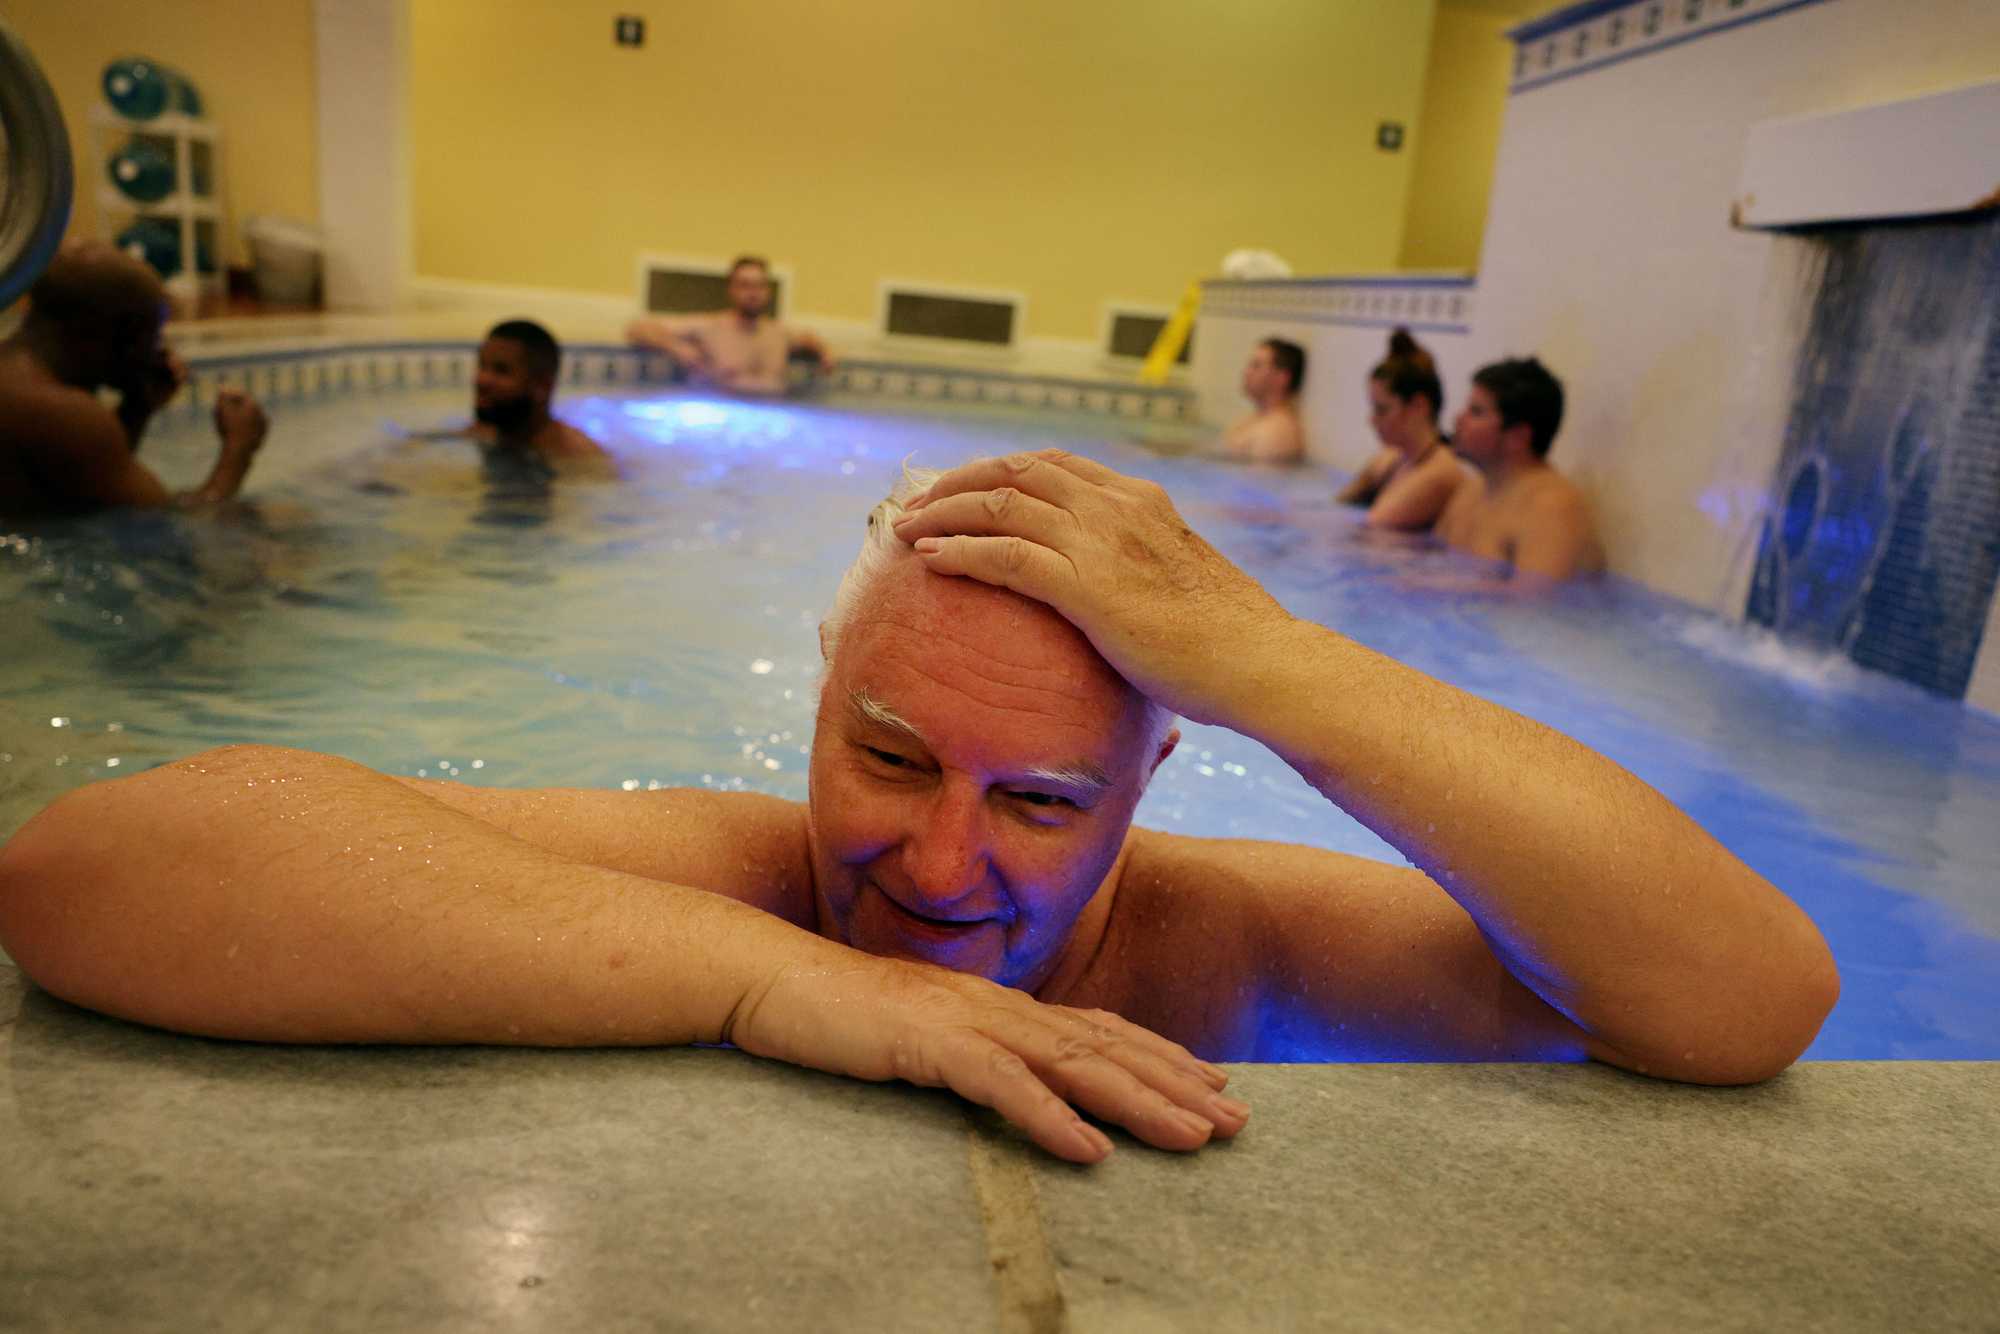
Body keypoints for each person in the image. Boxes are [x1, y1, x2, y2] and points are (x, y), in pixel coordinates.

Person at [0, 452, 1837, 1166]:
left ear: (1143, 783)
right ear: (814, 708)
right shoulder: (749, 884)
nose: (939, 869)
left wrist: (1272, 663)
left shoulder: (1227, 941)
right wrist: (771, 980)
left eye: (1042, 798)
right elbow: (92, 864)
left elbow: (1745, 996)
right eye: (886, 758)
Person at [0, 242, 267, 517]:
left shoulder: (17, 376)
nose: (158, 350)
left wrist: (139, 407)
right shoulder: (63, 414)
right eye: (152, 335)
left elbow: (96, 489)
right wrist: (239, 447)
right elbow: (170, 525)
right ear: (116, 335)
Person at [1434, 357, 1605, 581]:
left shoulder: (1551, 507)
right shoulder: (1471, 489)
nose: (1458, 419)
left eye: (1476, 412)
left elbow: (1532, 606)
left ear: (1518, 436)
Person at [624, 256, 835, 397]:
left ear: (767, 291)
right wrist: (675, 347)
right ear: (732, 290)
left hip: (773, 416)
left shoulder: (780, 333)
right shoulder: (709, 327)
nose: (753, 293)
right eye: (745, 285)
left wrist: (824, 351)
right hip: (727, 416)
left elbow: (809, 338)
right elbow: (636, 328)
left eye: (759, 286)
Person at [1337, 328, 1465, 531]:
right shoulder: (1392, 460)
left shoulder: (1439, 473)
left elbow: (1372, 528)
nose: (1372, 420)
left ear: (1418, 406)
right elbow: (1339, 504)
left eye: (1382, 409)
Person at [464, 320, 609, 468]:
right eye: (482, 366)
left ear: (542, 387)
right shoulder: (485, 433)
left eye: (501, 371)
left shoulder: (581, 459)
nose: (481, 380)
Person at [1220, 338, 1306, 464]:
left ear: (1281, 378)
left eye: (1256, 366)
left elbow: (1256, 482)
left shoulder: (1274, 433)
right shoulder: (1257, 419)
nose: (1246, 372)